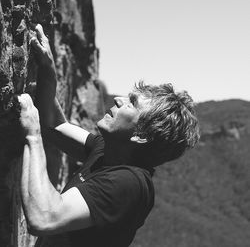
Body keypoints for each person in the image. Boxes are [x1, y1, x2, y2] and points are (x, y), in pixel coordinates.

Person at [18, 24, 200, 247]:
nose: (118, 99)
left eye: (132, 103)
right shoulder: (108, 151)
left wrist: (32, 136)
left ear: (141, 135)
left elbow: (44, 217)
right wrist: (48, 69)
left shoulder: (130, 185)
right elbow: (55, 125)